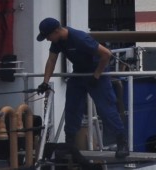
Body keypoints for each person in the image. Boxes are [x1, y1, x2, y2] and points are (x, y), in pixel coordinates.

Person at [36, 17, 129, 159]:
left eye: (48, 36)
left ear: (56, 31)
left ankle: (122, 143)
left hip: (98, 73)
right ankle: (70, 144)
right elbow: (51, 60)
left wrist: (96, 75)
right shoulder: (58, 41)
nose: (48, 39)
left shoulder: (79, 38)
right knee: (72, 108)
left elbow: (107, 54)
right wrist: (45, 82)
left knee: (106, 109)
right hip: (79, 73)